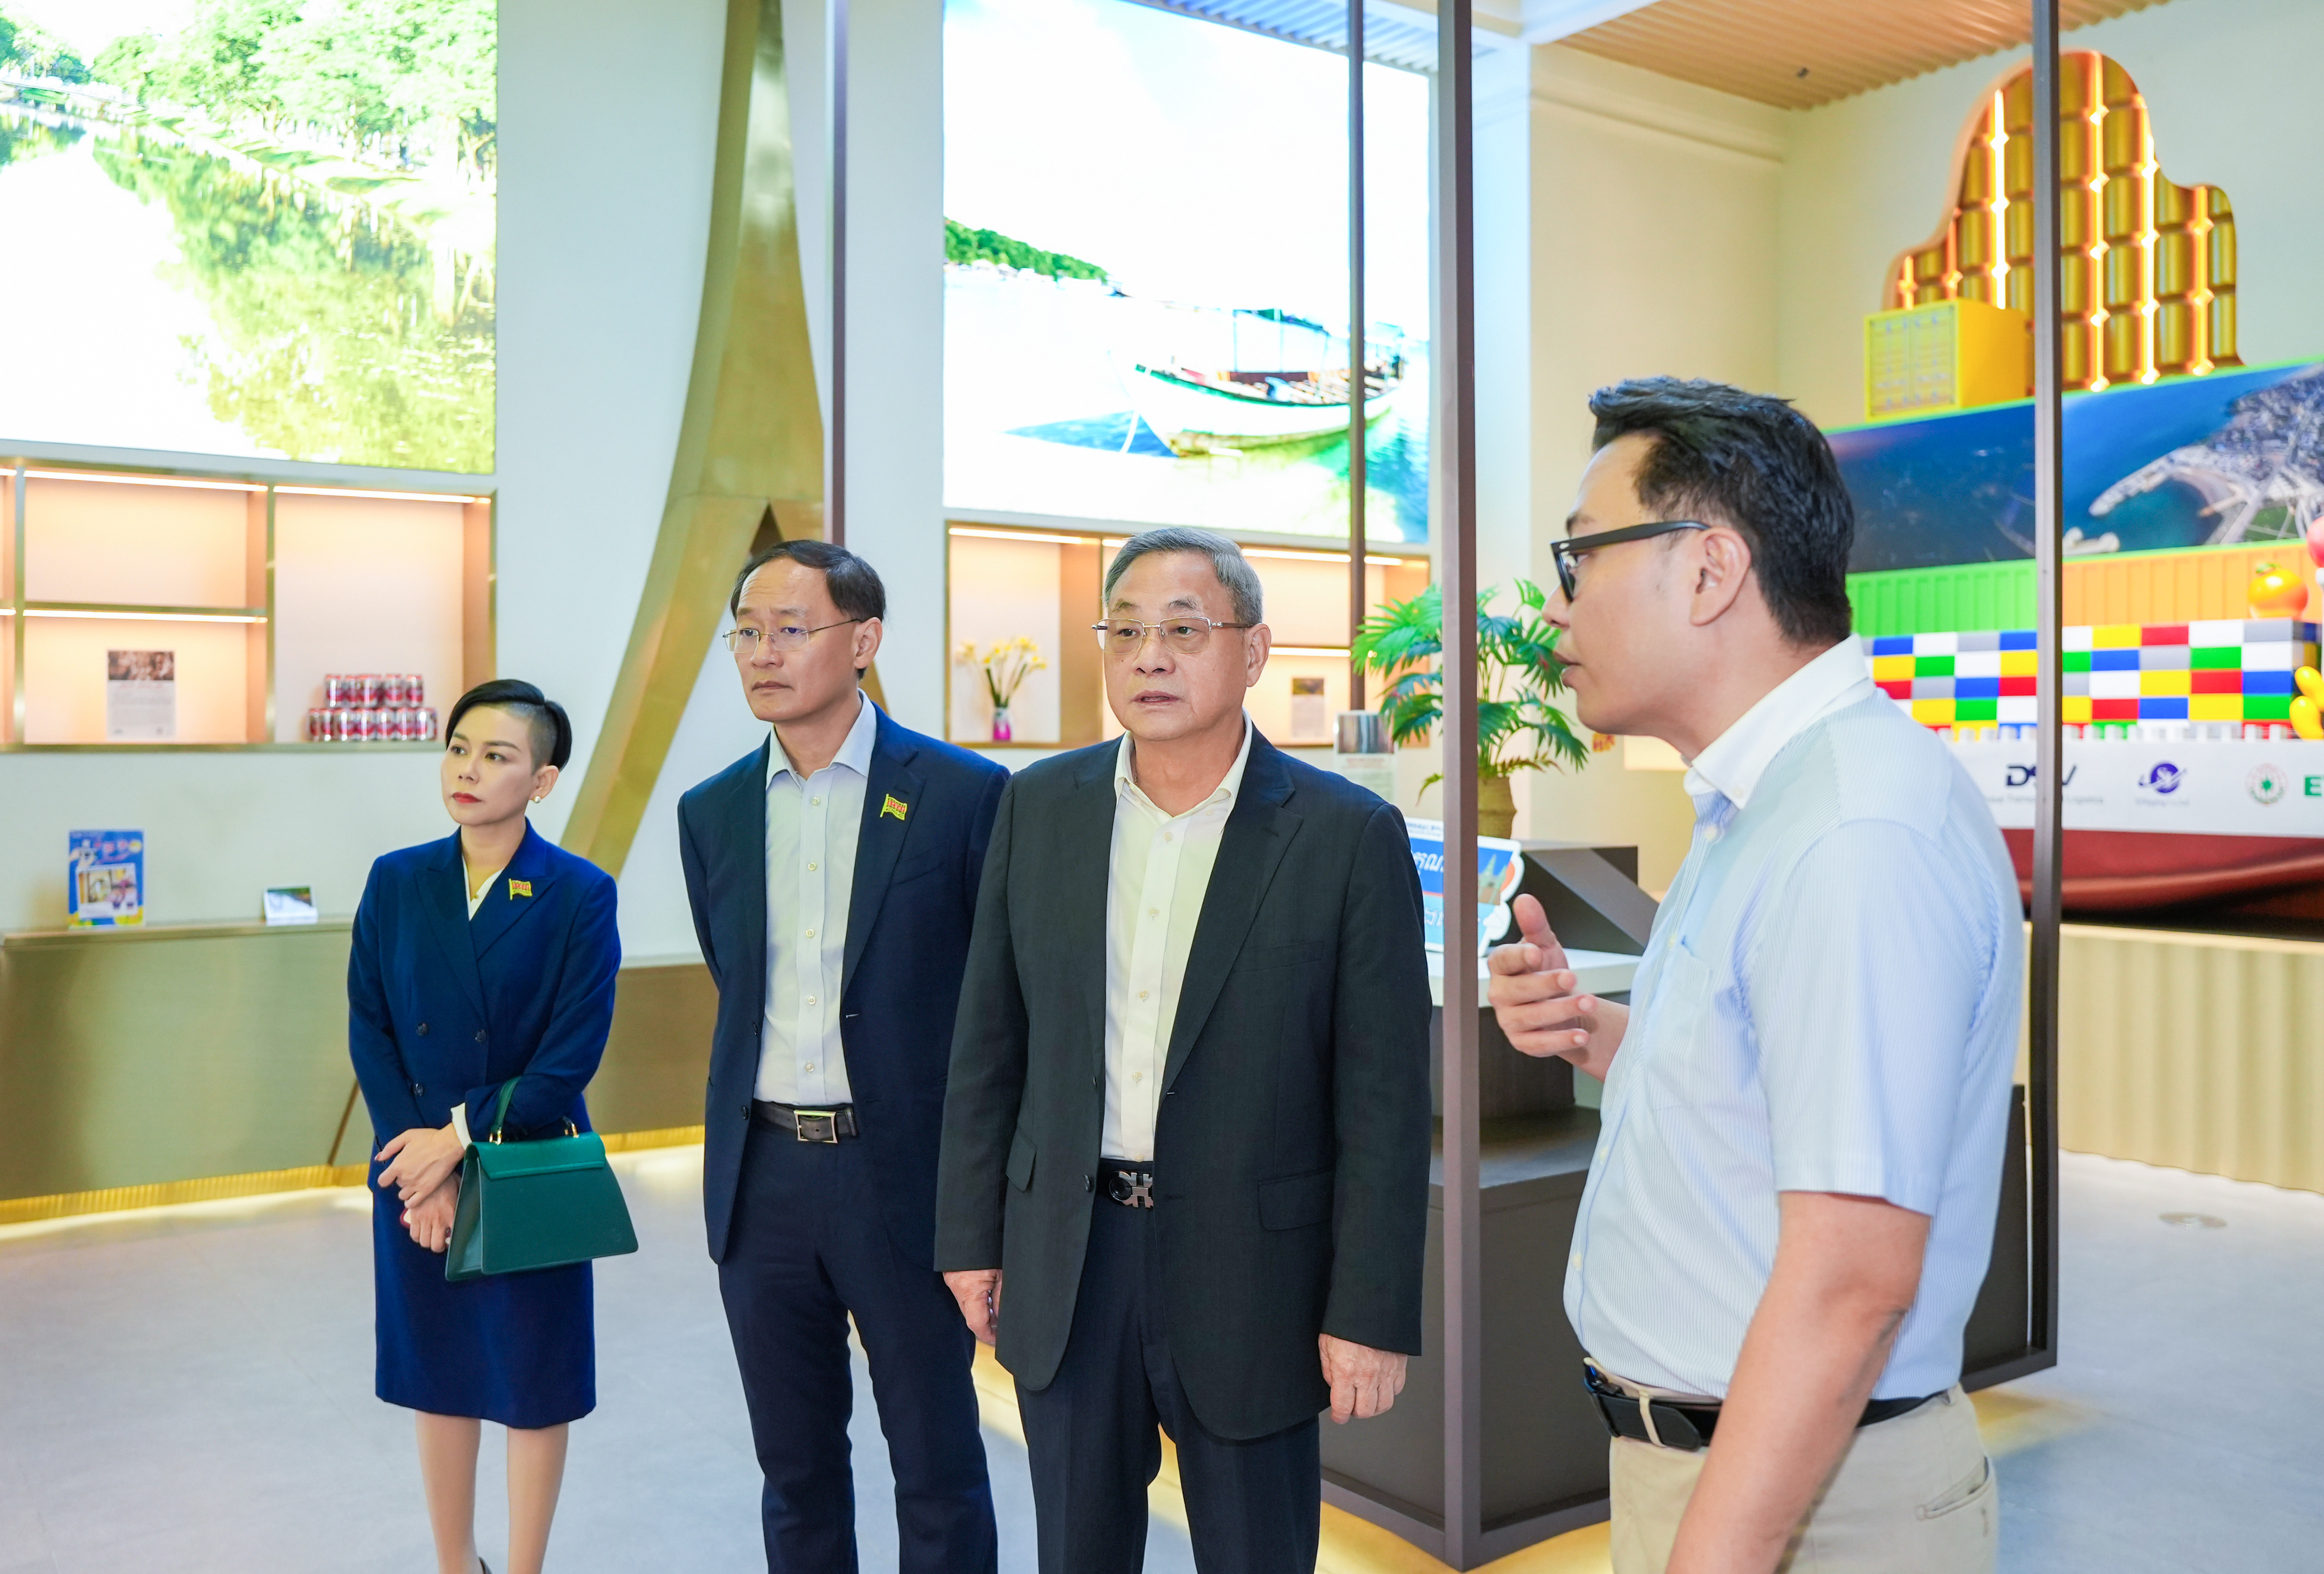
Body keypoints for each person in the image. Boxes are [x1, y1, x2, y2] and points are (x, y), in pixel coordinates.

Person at [1487, 378, 2021, 1574]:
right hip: (1737, 1472)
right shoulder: (1768, 804)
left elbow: (1850, 1283)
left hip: (1805, 1503)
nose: (1556, 608)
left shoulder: (1850, 832)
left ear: (1708, 570)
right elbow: (1781, 1096)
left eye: (1579, 557)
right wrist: (1599, 1034)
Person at [934, 526, 1432, 1574]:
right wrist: (971, 1235)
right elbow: (989, 1043)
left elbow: (1384, 1102)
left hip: (1254, 1273)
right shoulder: (1038, 807)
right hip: (1071, 1257)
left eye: (1183, 630)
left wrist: (1371, 1311)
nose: (1149, 656)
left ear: (1253, 651)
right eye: (1125, 632)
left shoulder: (1345, 834)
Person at [679, 539, 1006, 1573]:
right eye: (746, 633)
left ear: (863, 641)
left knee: (937, 1464)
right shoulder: (711, 812)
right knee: (796, 1469)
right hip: (764, 1179)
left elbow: (999, 1005)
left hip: (902, 1174)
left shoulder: (964, 794)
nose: (762, 653)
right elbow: (738, 981)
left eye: (791, 629)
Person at [348, 679, 620, 1574]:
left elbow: (566, 1062)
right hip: (412, 1170)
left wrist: (455, 1145)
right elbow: (371, 1029)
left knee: (535, 1381)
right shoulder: (397, 880)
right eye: (459, 748)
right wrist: (416, 1171)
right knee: (442, 1373)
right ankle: (455, 1563)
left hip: (528, 1170)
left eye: (497, 756)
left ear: (541, 782)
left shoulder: (579, 894)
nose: (467, 769)